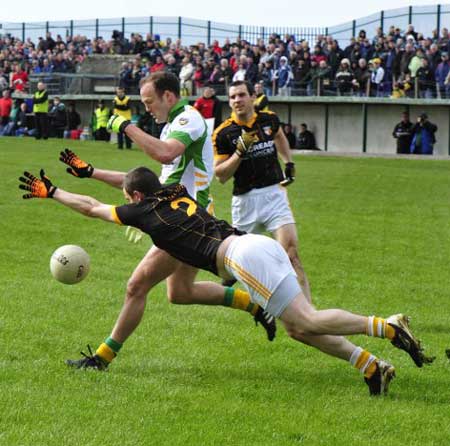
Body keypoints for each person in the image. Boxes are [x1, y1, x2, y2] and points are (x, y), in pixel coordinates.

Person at [19, 167, 434, 395]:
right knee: (297, 329)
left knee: (306, 319)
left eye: (129, 199)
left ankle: (386, 326)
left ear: (135, 200)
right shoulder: (174, 190)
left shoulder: (142, 211)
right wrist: (91, 172)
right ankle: (371, 367)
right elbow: (129, 181)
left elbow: (92, 207)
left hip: (241, 257)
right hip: (253, 245)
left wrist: (53, 191)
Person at [53, 71, 276, 369]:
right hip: (185, 216)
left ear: (168, 96)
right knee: (180, 293)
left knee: (136, 286)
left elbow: (165, 153)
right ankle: (253, 305)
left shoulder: (189, 118)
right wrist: (91, 171)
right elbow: (150, 183)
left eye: (149, 101)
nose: (146, 108)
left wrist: (126, 126)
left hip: (185, 221)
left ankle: (101, 358)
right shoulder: (171, 125)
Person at [213, 81, 311, 301]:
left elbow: (279, 137)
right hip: (246, 202)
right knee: (233, 267)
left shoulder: (269, 119)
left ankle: (309, 313)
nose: (237, 100)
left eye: (241, 95)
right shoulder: (223, 133)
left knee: (292, 255)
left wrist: (288, 162)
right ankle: (229, 287)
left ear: (251, 97)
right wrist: (239, 152)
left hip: (274, 195)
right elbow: (220, 176)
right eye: (232, 97)